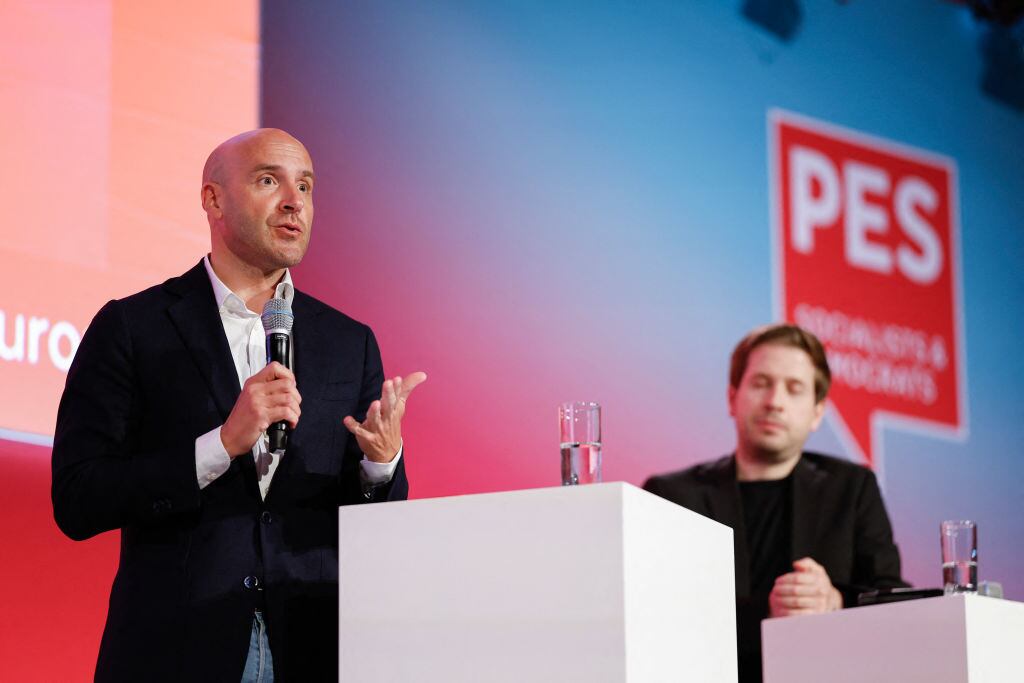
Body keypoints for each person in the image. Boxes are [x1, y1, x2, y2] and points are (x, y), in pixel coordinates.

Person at [51, 128, 426, 682]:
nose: (294, 201)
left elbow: (375, 531)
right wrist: (222, 444)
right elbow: (78, 498)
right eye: (269, 180)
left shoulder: (349, 342)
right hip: (177, 650)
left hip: (312, 649)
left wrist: (380, 465)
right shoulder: (133, 327)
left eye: (305, 186)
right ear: (213, 199)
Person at [643, 324, 906, 683]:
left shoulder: (852, 488)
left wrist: (834, 601)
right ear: (732, 398)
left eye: (794, 389)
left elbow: (895, 599)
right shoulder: (672, 497)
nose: (774, 402)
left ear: (817, 412)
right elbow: (654, 614)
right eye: (761, 383)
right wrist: (766, 613)